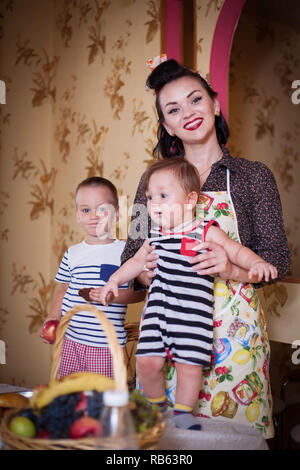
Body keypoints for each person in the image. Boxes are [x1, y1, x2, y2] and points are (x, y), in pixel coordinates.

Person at [119, 59, 290, 438]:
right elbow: (131, 250)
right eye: (173, 109)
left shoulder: (253, 176)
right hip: (165, 329)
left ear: (215, 103)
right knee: (161, 441)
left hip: (235, 341)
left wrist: (231, 269)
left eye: (196, 100)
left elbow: (276, 259)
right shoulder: (150, 181)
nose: (188, 113)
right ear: (167, 125)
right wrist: (146, 268)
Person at [95, 157, 277, 431]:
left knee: (190, 367)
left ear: (191, 200)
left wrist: (256, 264)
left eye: (163, 196)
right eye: (150, 197)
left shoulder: (206, 230)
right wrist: (114, 281)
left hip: (195, 317)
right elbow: (132, 261)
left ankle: (182, 412)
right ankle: (155, 406)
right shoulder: (151, 233)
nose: (154, 203)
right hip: (158, 313)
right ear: (166, 124)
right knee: (145, 363)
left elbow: (238, 251)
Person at [40, 177, 145, 378]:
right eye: (86, 210)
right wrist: (53, 316)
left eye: (102, 209)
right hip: (71, 341)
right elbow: (63, 289)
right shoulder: (72, 253)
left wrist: (112, 296)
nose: (93, 216)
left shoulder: (126, 253)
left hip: (106, 345)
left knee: (103, 401)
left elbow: (138, 294)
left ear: (116, 214)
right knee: (68, 396)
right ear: (77, 215)